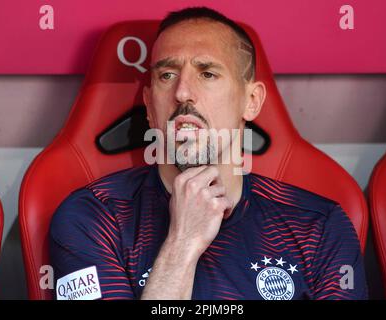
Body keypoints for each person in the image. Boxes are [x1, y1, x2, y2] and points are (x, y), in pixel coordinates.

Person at [50, 6, 367, 300]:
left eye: (208, 73)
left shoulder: (317, 224)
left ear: (251, 101)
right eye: (167, 75)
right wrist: (182, 244)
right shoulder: (93, 217)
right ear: (149, 104)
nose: (183, 92)